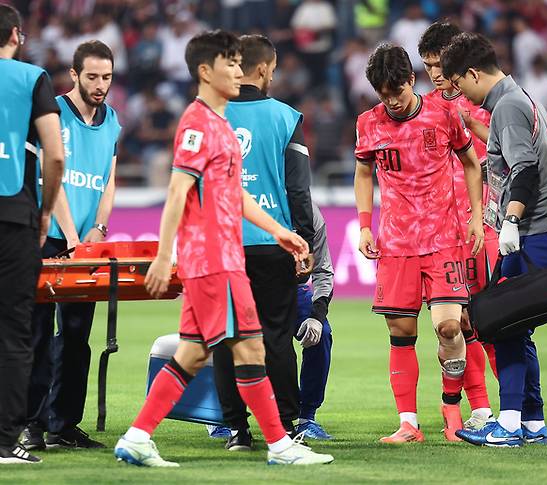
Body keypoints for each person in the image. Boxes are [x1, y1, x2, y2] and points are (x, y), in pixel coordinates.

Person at [113, 30, 333, 467]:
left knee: (194, 353)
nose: (239, 71)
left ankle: (138, 436)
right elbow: (177, 191)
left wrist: (281, 232)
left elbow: (237, 194)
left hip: (228, 253)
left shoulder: (220, 123)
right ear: (204, 71)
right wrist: (162, 256)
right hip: (212, 257)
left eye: (239, 62)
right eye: (229, 64)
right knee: (251, 347)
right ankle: (281, 444)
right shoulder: (196, 123)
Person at [441, 32, 547, 447]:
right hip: (542, 229)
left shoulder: (509, 107)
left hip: (534, 230)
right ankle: (532, 422)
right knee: (518, 326)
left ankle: (510, 423)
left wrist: (511, 221)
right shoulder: (518, 99)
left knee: (504, 325)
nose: (460, 92)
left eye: (461, 83)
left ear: (475, 73)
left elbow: (525, 169)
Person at [354, 43, 484, 444]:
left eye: (396, 90)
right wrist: (363, 226)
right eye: (383, 93)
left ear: (412, 80)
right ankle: (408, 423)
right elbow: (363, 173)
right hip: (395, 243)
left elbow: (470, 163)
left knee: (449, 327)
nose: (391, 100)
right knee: (401, 331)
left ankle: (452, 411)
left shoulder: (442, 112)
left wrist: (476, 217)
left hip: (444, 238)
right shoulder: (368, 123)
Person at [212, 34, 314, 451]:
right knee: (275, 335)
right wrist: (304, 241)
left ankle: (236, 430)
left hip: (223, 242)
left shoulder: (210, 115)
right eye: (272, 69)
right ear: (263, 69)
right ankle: (286, 425)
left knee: (227, 336)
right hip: (273, 241)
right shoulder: (286, 117)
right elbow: (298, 190)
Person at [21, 40, 120, 452]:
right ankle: (31, 423)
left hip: (87, 244)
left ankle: (64, 423)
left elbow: (109, 178)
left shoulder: (112, 120)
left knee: (77, 336)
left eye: (107, 77)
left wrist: (98, 227)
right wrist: (73, 236)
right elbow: (51, 172)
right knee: (39, 333)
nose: (101, 85)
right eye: (93, 77)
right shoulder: (53, 112)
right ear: (74, 75)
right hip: (51, 239)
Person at [417, 20, 497, 440]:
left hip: (484, 225)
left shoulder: (485, 104)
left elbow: (498, 161)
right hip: (440, 236)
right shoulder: (424, 108)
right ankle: (481, 408)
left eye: (439, 63)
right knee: (458, 323)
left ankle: (517, 411)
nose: (434, 73)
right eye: (428, 65)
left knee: (493, 320)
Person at [0, 3, 64, 464]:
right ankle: (4, 443)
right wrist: (45, 213)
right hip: (15, 218)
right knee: (14, 333)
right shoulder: (31, 79)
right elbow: (56, 156)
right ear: (17, 36)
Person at [294, 202, 334, 440]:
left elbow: (323, 270)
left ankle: (306, 417)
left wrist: (317, 316)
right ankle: (224, 417)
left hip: (293, 290)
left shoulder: (309, 213)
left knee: (322, 335)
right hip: (246, 288)